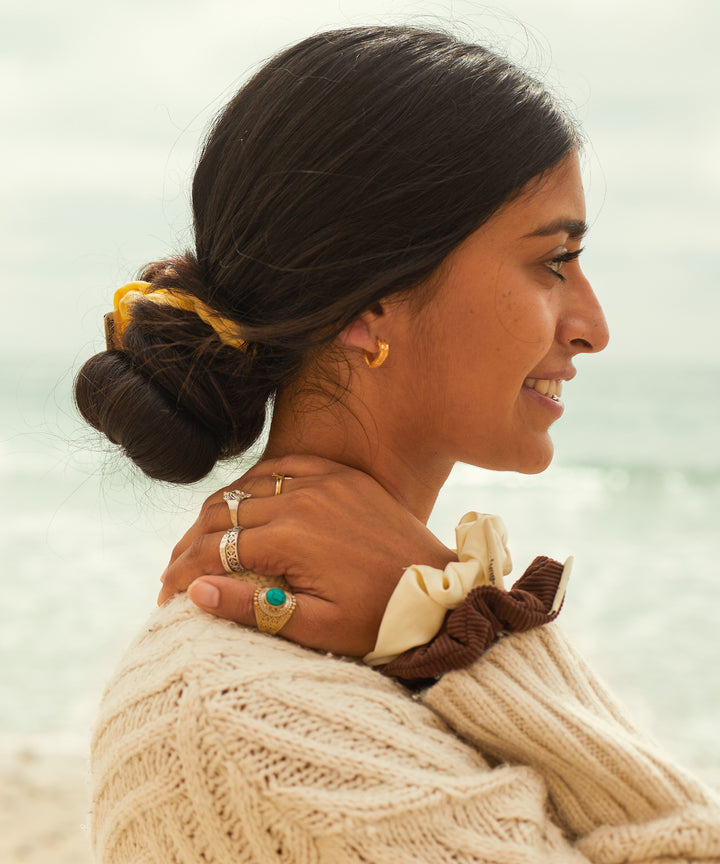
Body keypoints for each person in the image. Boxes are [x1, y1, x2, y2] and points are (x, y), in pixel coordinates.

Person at [76, 25, 720, 863]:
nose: (592, 326)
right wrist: (467, 634)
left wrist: (448, 624)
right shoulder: (247, 729)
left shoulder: (404, 646)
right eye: (553, 261)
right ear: (368, 302)